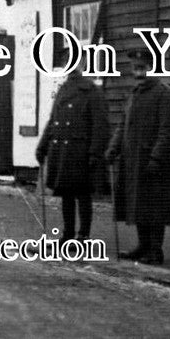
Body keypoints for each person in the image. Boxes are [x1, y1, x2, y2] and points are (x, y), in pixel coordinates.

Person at [106, 47, 170, 265]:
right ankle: (142, 246)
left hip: (153, 162)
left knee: (154, 206)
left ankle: (155, 250)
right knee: (137, 204)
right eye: (135, 68)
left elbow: (168, 130)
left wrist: (157, 158)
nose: (138, 73)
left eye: (142, 68)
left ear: (152, 68)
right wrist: (113, 148)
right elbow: (123, 126)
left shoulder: (163, 93)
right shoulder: (134, 95)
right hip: (132, 161)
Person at [35, 52, 108, 243]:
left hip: (80, 152)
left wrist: (94, 153)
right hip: (62, 151)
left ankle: (83, 235)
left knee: (83, 194)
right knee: (66, 194)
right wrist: (42, 146)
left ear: (83, 64)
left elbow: (100, 126)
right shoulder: (63, 89)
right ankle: (67, 234)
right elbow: (53, 120)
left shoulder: (92, 91)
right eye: (68, 62)